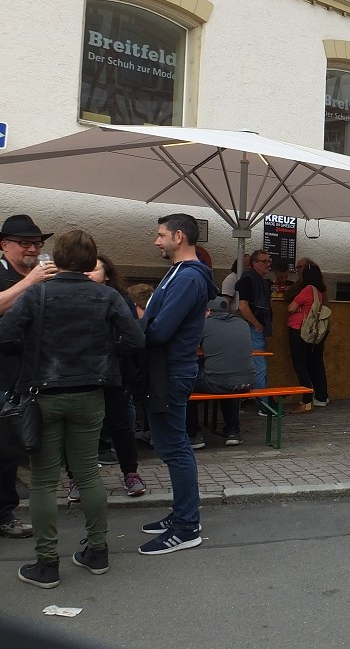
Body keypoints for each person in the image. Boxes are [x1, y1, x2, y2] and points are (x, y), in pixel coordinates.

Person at [0, 230, 144, 588]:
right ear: (89, 258)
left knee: (44, 480)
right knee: (88, 474)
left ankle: (47, 564)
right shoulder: (107, 295)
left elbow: (5, 334)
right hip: (90, 395)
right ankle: (97, 551)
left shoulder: (37, 293)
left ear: (58, 258)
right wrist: (105, 358)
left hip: (43, 396)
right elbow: (135, 340)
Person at [139, 213, 217, 555]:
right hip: (168, 370)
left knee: (174, 447)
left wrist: (134, 328)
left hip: (171, 371)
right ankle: (183, 516)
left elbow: (159, 330)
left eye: (161, 235)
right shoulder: (180, 273)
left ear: (179, 236)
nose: (157, 241)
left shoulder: (188, 277)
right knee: (172, 445)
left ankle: (186, 527)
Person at [0, 214, 58, 539]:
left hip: (38, 373)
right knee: (4, 447)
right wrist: (30, 282)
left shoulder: (47, 275)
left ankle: (8, 510)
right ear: (4, 245)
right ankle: (5, 513)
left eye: (37, 243)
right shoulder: (14, 275)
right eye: (25, 243)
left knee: (21, 448)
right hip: (3, 372)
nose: (33, 248)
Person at [82, 254, 145, 497]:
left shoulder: (117, 299)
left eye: (94, 270)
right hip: (82, 374)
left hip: (113, 372)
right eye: (85, 269)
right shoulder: (75, 296)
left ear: (107, 275)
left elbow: (133, 337)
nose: (88, 273)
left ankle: (130, 473)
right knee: (83, 428)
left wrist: (112, 351)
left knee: (120, 425)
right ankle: (78, 477)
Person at [186, 297, 253, 447]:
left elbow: (190, 346)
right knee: (227, 380)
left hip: (218, 382)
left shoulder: (203, 324)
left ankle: (193, 435)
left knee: (184, 384)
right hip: (247, 381)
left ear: (208, 311)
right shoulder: (242, 324)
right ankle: (233, 431)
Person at [286, 261, 329, 412]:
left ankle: (306, 401)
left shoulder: (306, 290)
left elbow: (291, 308)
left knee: (300, 365)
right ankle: (318, 397)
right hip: (313, 333)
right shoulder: (319, 292)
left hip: (299, 330)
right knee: (313, 363)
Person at [235, 250, 273, 390]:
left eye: (269, 261)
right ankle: (263, 405)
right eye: (264, 261)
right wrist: (257, 324)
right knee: (259, 367)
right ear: (254, 263)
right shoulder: (249, 279)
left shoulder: (256, 279)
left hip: (255, 328)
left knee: (258, 366)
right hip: (253, 329)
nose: (268, 264)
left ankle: (261, 402)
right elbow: (243, 306)